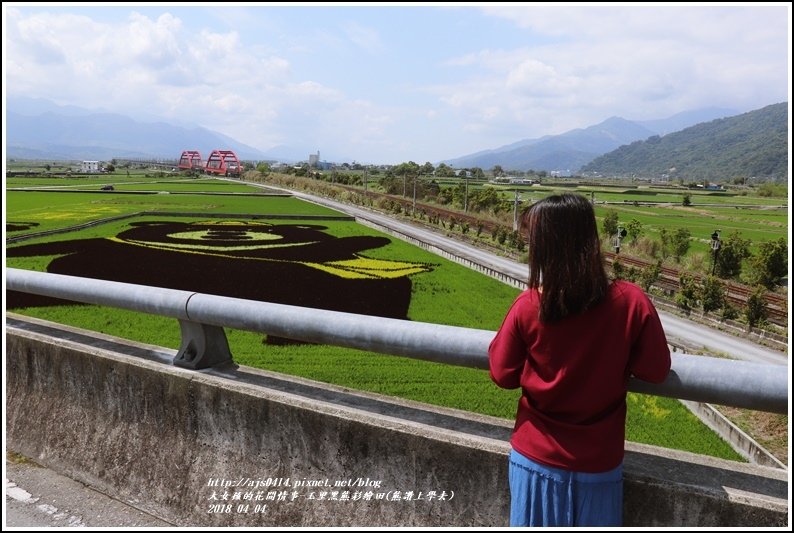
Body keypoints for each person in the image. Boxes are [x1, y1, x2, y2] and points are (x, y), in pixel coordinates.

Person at [488, 193, 671, 527]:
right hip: (599, 465)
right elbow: (656, 370)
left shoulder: (529, 306)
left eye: (533, 241)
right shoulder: (630, 301)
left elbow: (502, 373)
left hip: (535, 460)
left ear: (546, 248)